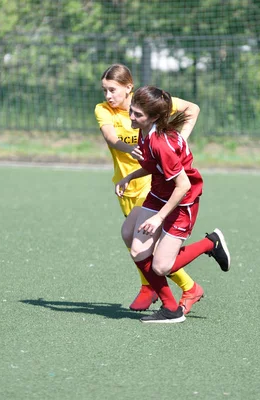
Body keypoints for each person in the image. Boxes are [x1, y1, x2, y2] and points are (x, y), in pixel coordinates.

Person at [95, 64, 204, 314]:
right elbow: (112, 138)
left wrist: (178, 142)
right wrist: (131, 169)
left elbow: (191, 109)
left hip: (157, 189)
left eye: (112, 89)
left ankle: (176, 293)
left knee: (153, 254)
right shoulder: (112, 113)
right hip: (131, 184)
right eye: (104, 90)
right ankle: (152, 286)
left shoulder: (149, 106)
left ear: (128, 88)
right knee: (134, 242)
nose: (108, 96)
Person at [115, 85, 230, 323]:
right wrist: (129, 177)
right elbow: (151, 165)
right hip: (159, 194)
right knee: (133, 241)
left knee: (161, 266)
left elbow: (184, 185)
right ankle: (170, 307)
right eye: (132, 111)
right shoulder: (145, 130)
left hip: (182, 201)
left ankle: (211, 243)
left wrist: (158, 218)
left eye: (138, 114)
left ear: (155, 117)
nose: (132, 117)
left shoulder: (160, 142)